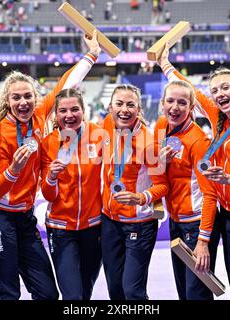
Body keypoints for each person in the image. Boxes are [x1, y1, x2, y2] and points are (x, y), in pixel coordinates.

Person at [0, 31, 101, 300]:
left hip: (25, 217)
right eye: (16, 98)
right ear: (7, 102)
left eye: (28, 96)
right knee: (8, 292)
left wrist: (91, 55)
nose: (23, 102)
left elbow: (67, 84)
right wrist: (13, 170)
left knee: (47, 293)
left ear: (35, 98)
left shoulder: (40, 117)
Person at [158, 43, 230, 300]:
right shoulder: (217, 114)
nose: (219, 93)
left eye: (225, 87)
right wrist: (164, 64)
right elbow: (187, 89)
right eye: (214, 90)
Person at [153, 80, 220, 300]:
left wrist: (203, 241)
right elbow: (157, 175)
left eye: (182, 102)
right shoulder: (161, 127)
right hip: (176, 222)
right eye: (170, 101)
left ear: (192, 108)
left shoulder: (199, 141)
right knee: (184, 291)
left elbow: (210, 194)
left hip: (197, 223)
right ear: (162, 103)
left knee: (197, 293)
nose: (175, 107)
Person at [101, 84, 169, 300]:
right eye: (119, 104)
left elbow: (162, 186)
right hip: (110, 221)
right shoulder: (106, 127)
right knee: (114, 289)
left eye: (131, 105)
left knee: (132, 291)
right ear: (110, 107)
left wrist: (140, 197)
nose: (124, 109)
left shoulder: (149, 143)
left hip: (139, 224)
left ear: (139, 110)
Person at [40, 88, 103, 300]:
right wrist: (51, 177)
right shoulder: (48, 143)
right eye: (63, 110)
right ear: (55, 115)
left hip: (93, 228)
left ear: (83, 110)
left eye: (75, 109)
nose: (69, 115)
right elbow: (48, 195)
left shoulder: (99, 135)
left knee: (85, 292)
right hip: (60, 228)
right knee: (72, 295)